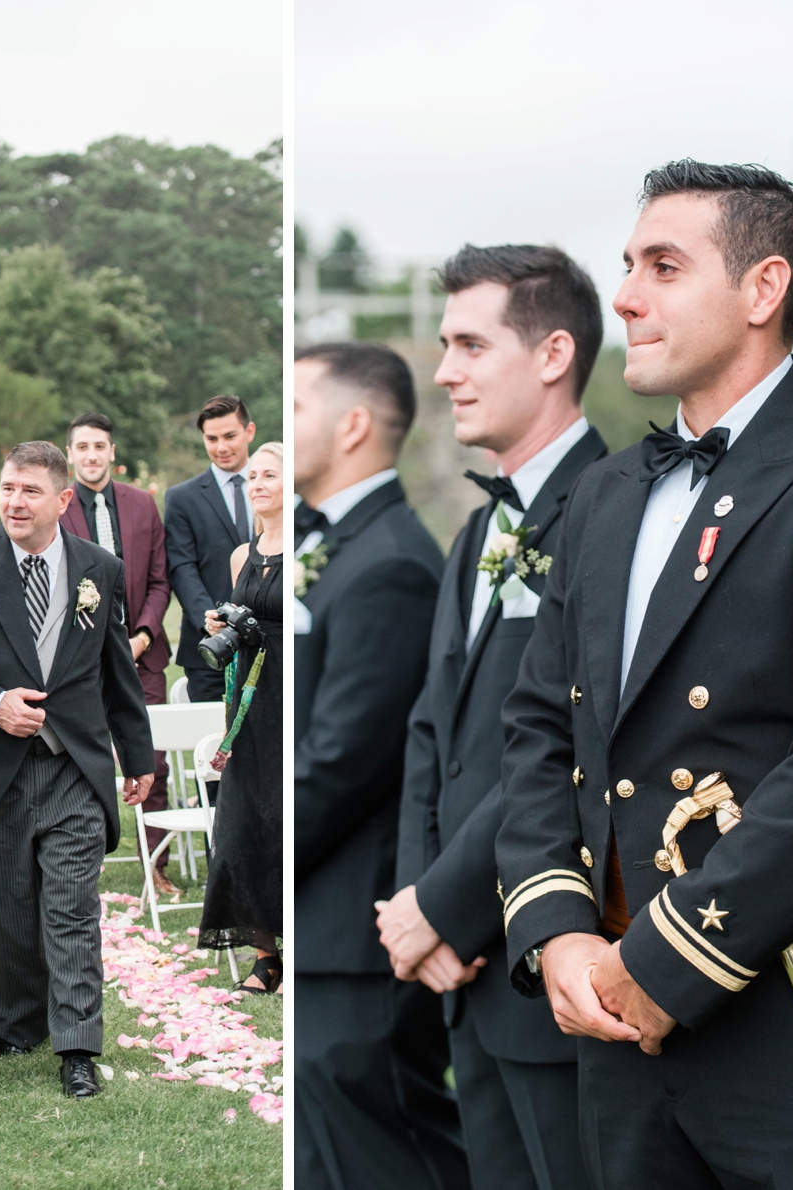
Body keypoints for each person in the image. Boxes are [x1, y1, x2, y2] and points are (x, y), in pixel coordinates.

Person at [495, 161, 793, 1188]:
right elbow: (538, 726)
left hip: (792, 1011)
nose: (626, 296)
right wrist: (557, 933)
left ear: (762, 289)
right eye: (627, 267)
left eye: (663, 267)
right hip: (613, 1018)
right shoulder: (605, 493)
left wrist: (664, 964)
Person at [381, 243, 609, 1190]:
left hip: (545, 959)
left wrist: (449, 906)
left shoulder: (616, 509)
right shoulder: (479, 526)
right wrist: (413, 908)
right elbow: (430, 726)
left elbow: (567, 744)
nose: (444, 372)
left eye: (471, 345)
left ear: (553, 354)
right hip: (458, 974)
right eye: (445, 345)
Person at [0, 441, 156, 1100]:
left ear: (63, 500)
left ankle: (78, 1047)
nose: (14, 502)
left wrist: (138, 755)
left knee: (73, 910)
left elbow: (116, 672)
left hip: (74, 767)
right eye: (7, 489)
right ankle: (16, 1022)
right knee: (3, 910)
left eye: (29, 491)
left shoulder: (99, 570)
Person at [293, 342, 466, 1190]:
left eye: (292, 412)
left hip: (360, 931)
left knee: (389, 1156)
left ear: (353, 424)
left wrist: (254, 851)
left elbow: (342, 761)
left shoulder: (391, 563)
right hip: (321, 921)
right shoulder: (329, 545)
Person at [58, 412, 180, 896]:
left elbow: (158, 580)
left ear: (112, 452)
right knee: (80, 762)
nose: (91, 455)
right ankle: (85, 861)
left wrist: (142, 637)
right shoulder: (58, 505)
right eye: (82, 447)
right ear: (70, 454)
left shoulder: (142, 504)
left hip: (141, 654)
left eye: (99, 446)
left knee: (153, 761)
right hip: (78, 659)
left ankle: (156, 865)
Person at [199, 442, 284, 993]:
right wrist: (218, 625)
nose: (256, 483)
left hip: (287, 701)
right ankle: (265, 954)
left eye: (269, 475)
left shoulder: (306, 549)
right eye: (251, 476)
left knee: (283, 819)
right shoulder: (240, 554)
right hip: (247, 710)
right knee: (242, 824)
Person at [164, 394, 257, 703]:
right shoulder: (181, 497)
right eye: (212, 438)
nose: (221, 447)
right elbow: (182, 566)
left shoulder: (275, 487)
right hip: (209, 646)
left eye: (230, 436)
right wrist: (210, 617)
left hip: (271, 641)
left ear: (249, 432)